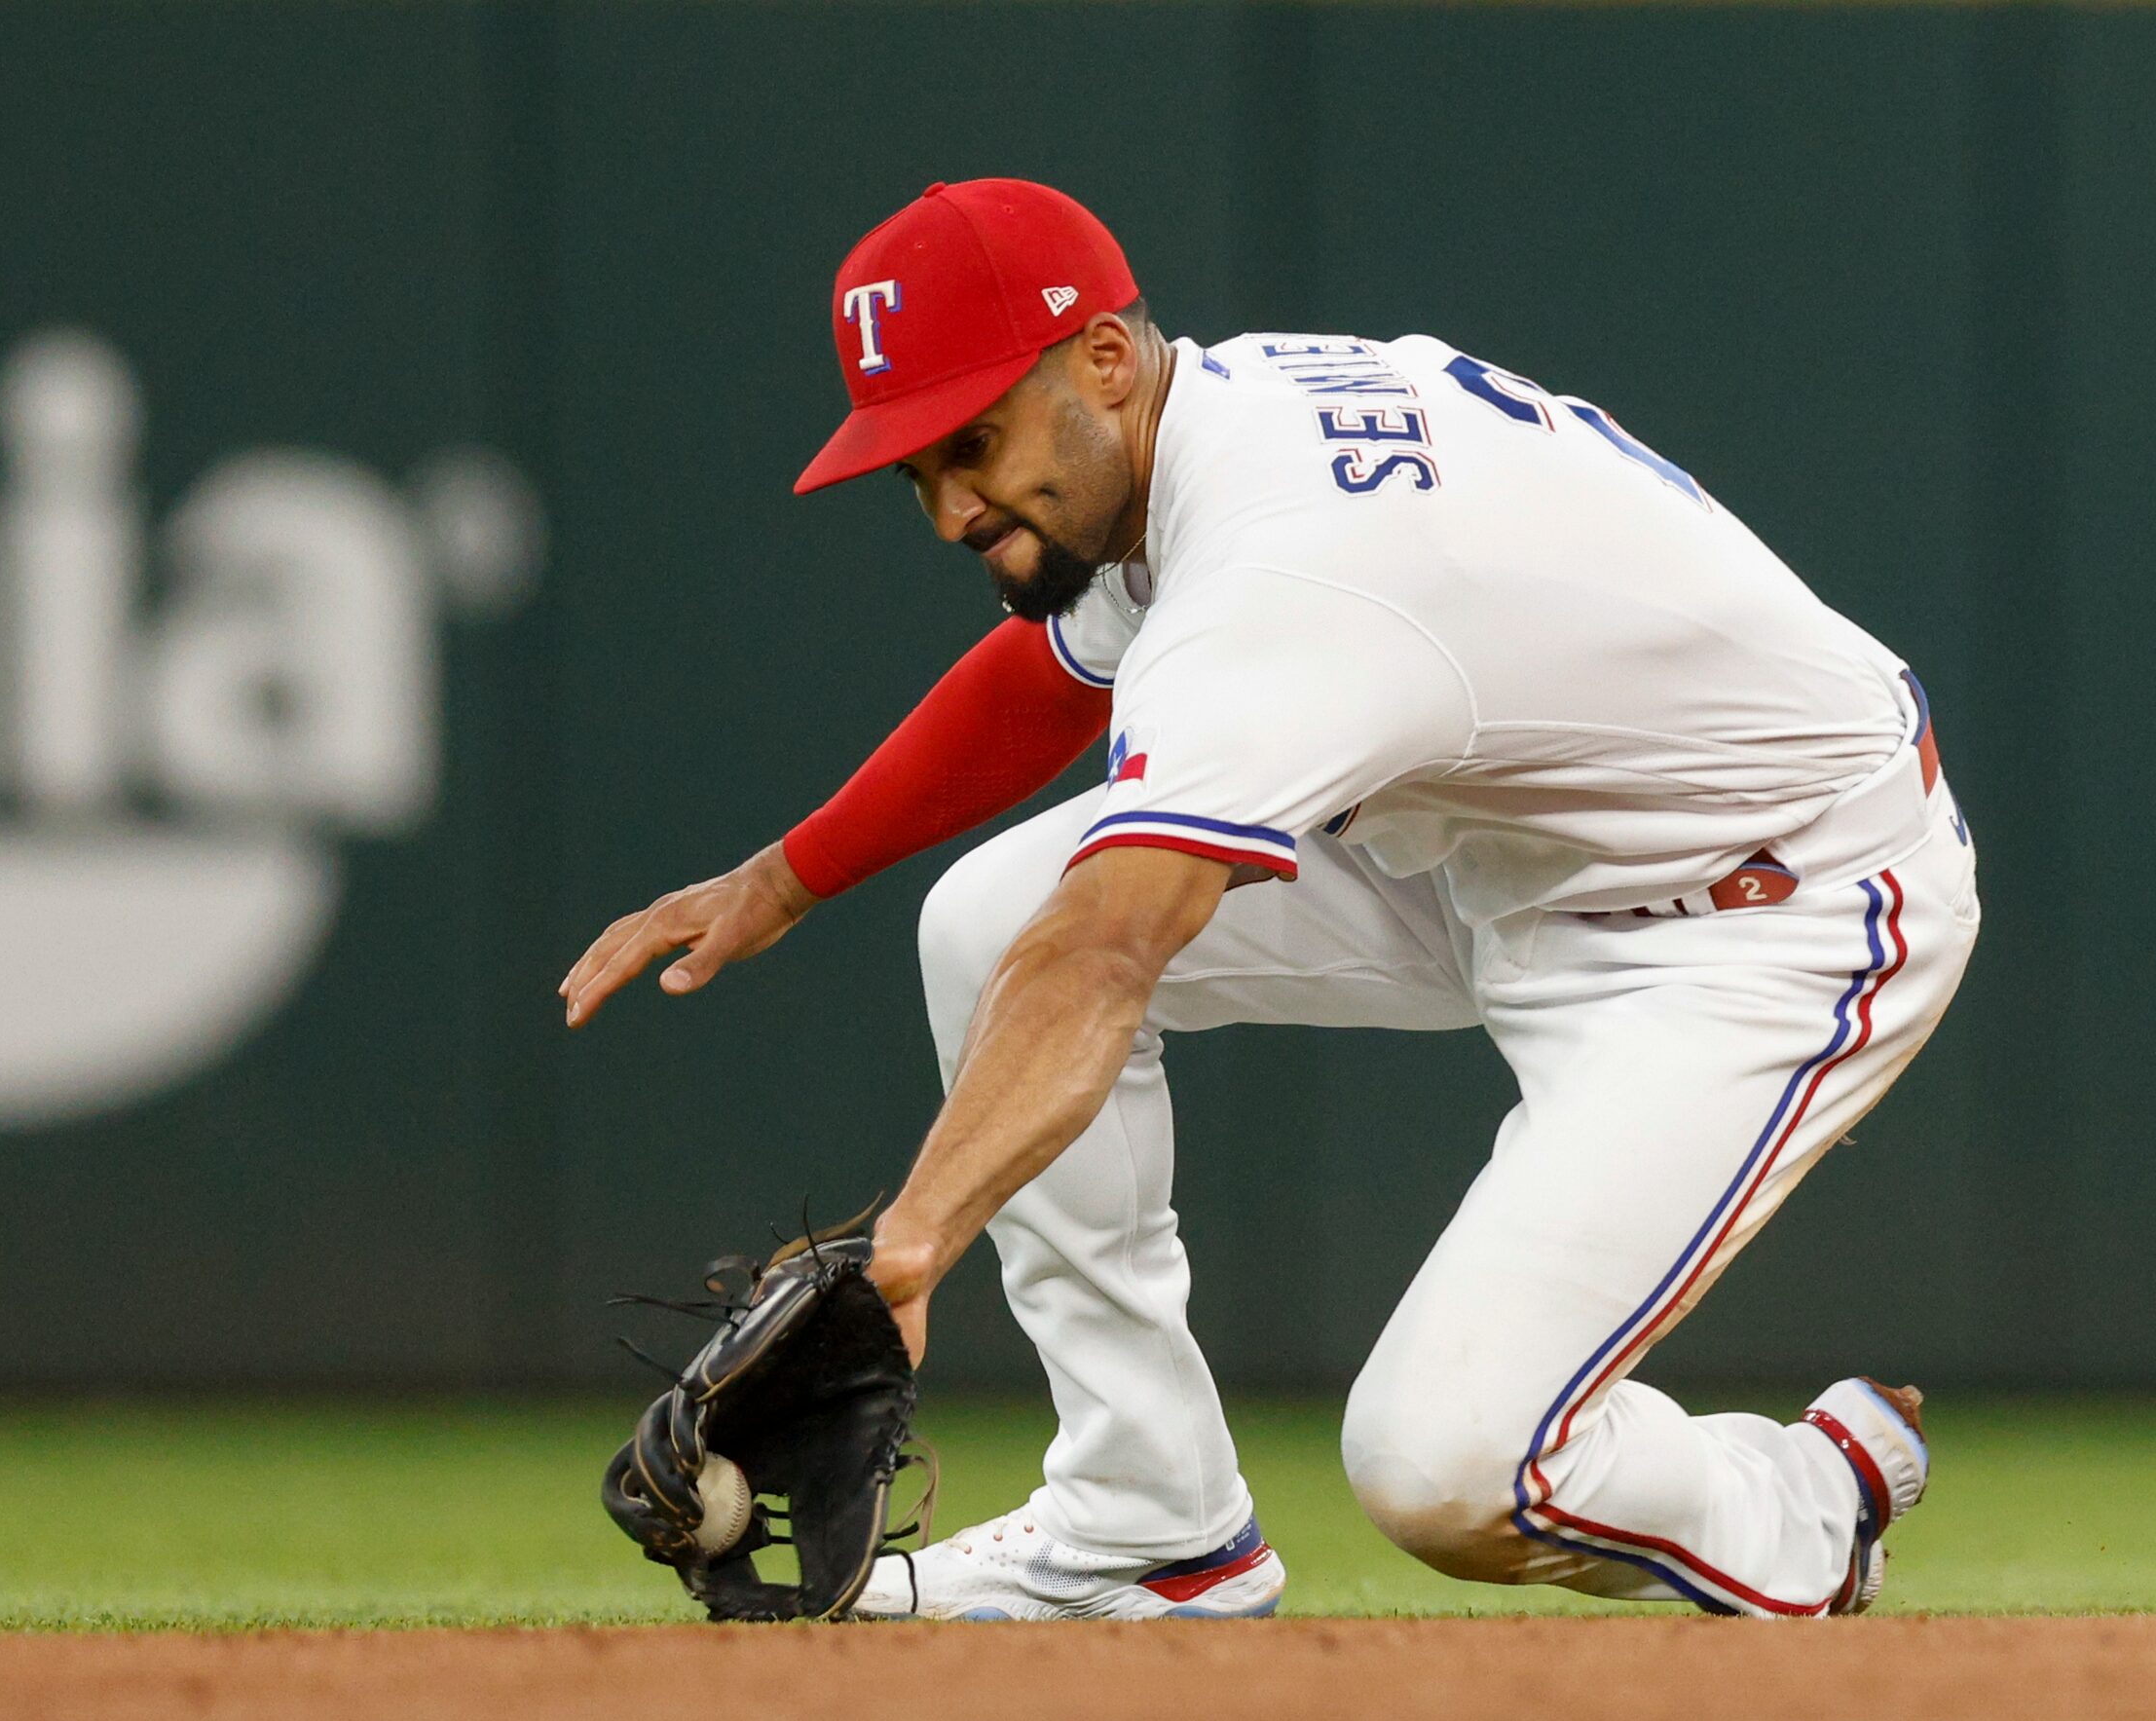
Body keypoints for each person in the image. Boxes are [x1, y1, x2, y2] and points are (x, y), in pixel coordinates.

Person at [560, 178, 1977, 1621]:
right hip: (1513, 850)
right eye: (915, 471)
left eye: (969, 446)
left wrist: (907, 1252)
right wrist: (787, 876)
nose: (948, 510)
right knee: (988, 925)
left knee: (1448, 1465)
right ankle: (1146, 1523)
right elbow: (1056, 673)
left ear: (1101, 359)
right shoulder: (1192, 435)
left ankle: (1811, 1500)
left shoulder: (1286, 566)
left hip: (1767, 916)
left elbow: (1113, 942)